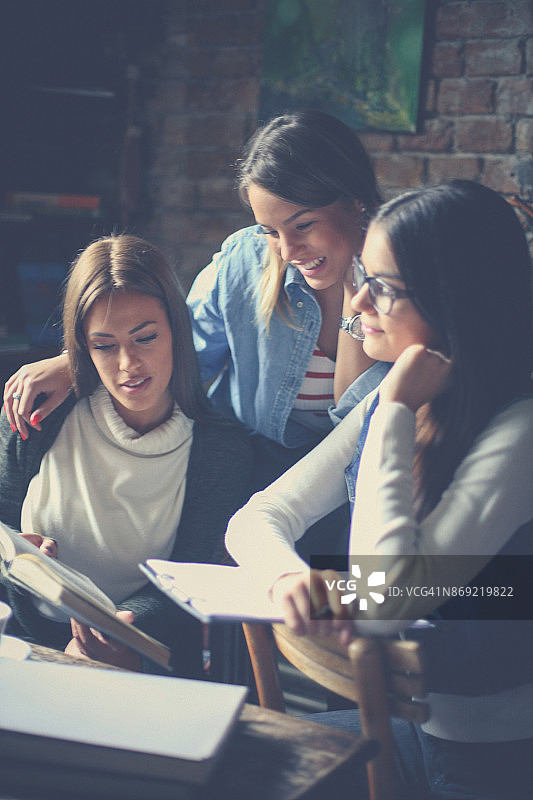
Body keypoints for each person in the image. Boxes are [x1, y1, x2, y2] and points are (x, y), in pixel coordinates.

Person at [225, 180, 533, 799]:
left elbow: (389, 596)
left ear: (454, 300)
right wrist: (296, 581)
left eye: (384, 287)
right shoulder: (396, 399)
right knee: (219, 760)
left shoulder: (518, 430)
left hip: (491, 759)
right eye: (365, 276)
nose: (356, 301)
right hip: (407, 725)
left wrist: (392, 408)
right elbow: (256, 520)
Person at [3, 111, 390, 558]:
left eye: (302, 225)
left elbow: (353, 425)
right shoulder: (247, 260)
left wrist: (353, 284)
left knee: (343, 608)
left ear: (355, 199)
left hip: (353, 482)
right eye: (271, 231)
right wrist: (77, 362)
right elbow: (179, 349)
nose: (287, 251)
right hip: (246, 471)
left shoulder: (399, 284)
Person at [0, 234, 250, 675]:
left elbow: (186, 577)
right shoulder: (37, 416)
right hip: (25, 654)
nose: (128, 365)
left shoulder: (220, 449)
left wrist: (123, 632)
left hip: (151, 661)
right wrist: (16, 560)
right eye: (104, 345)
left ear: (176, 328)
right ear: (81, 345)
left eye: (145, 338)